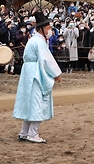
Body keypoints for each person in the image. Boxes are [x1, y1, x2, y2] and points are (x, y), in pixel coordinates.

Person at [13, 14, 62, 143]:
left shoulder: (33, 40)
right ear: (41, 29)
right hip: (36, 73)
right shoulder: (39, 41)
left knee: (31, 102)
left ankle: (24, 132)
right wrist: (56, 73)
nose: (49, 30)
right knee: (37, 102)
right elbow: (46, 59)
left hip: (29, 72)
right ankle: (32, 133)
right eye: (47, 28)